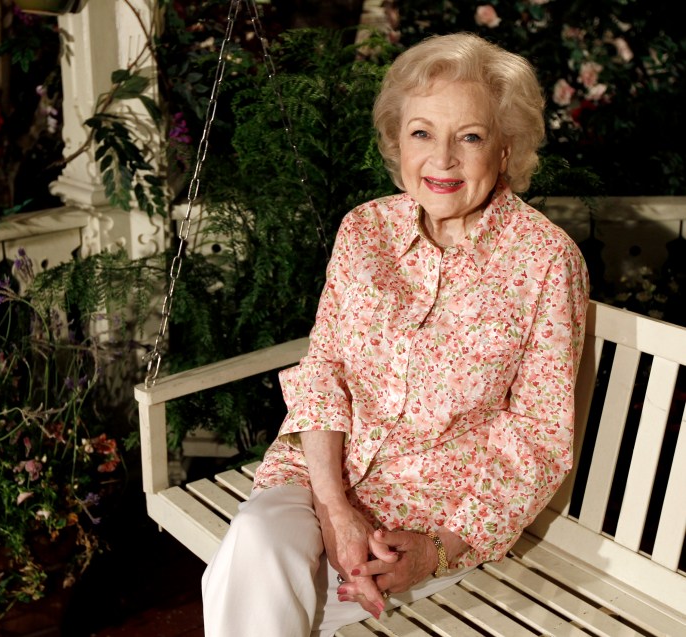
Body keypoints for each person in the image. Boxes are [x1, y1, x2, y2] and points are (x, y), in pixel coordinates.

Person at [201, 31, 591, 637]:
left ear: (506, 149)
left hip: (432, 518)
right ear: (396, 142)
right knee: (256, 542)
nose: (442, 159)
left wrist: (436, 550)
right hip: (318, 477)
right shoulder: (365, 231)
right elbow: (324, 367)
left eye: (470, 136)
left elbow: (539, 439)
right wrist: (333, 509)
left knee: (260, 596)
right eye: (421, 133)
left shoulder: (545, 261)